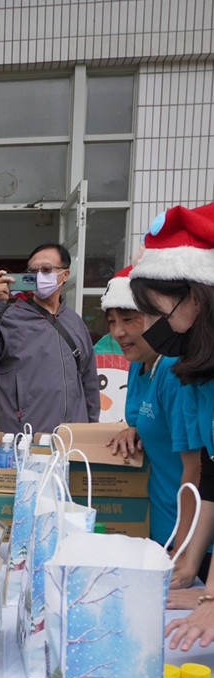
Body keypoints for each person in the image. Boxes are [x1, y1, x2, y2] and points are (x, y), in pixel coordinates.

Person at [128, 202, 214, 651]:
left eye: (155, 313)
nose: (148, 328)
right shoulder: (199, 376)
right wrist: (188, 564)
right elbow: (211, 479)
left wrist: (212, 596)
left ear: (196, 299)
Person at [101, 266, 201, 555]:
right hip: (158, 527)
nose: (118, 332)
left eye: (129, 319)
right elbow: (145, 419)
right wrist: (132, 429)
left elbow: (197, 470)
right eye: (111, 321)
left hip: (188, 539)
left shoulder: (173, 371)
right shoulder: (138, 363)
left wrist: (183, 553)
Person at [0, 243, 100, 434]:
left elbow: (89, 379)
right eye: (33, 271)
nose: (39, 276)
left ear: (65, 274)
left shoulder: (75, 322)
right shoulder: (10, 318)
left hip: (72, 437)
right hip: (26, 437)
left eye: (46, 270)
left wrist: (92, 428)